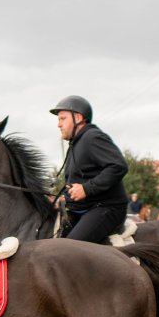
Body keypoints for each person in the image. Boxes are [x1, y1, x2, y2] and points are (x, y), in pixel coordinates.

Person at [49, 96, 129, 242]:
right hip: (87, 209)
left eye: (62, 119)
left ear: (78, 117)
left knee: (68, 249)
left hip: (108, 208)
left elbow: (118, 166)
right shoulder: (76, 144)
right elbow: (80, 180)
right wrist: (64, 198)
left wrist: (86, 189)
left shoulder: (92, 137)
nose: (58, 124)